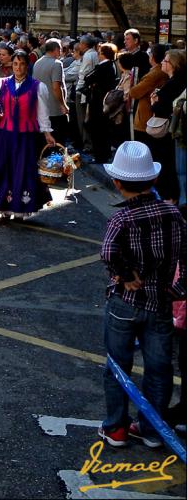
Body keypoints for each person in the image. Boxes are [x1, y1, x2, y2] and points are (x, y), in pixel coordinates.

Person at [96, 140, 185, 448]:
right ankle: (152, 429)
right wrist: (177, 289)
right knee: (159, 368)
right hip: (160, 302)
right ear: (154, 179)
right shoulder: (173, 214)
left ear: (117, 183)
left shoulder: (120, 218)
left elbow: (108, 252)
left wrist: (125, 275)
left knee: (118, 366)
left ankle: (116, 428)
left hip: (125, 302)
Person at [0, 50, 56, 219]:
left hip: (26, 137)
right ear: (12, 65)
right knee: (1, 169)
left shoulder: (38, 87)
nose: (18, 67)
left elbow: (42, 114)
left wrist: (47, 133)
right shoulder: (1, 83)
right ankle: (2, 207)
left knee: (22, 171)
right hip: (3, 136)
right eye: (15, 64)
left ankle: (19, 209)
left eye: (22, 64)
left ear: (27, 66)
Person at [148, 49, 186, 203]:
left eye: (165, 60)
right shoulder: (176, 81)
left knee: (168, 164)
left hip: (169, 130)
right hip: (174, 128)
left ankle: (170, 198)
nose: (162, 62)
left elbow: (163, 107)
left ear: (173, 65)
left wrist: (154, 103)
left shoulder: (174, 83)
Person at [32, 38, 70, 146]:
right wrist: (63, 105)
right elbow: (56, 87)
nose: (61, 52)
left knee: (43, 144)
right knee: (57, 143)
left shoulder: (37, 63)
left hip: (40, 108)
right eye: (61, 49)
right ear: (56, 49)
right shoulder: (57, 63)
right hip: (55, 110)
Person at [85, 42, 119, 163]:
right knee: (103, 129)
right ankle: (104, 153)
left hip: (98, 102)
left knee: (97, 129)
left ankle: (100, 155)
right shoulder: (112, 65)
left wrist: (93, 84)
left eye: (99, 53)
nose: (98, 55)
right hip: (106, 101)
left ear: (104, 54)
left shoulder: (103, 66)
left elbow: (88, 78)